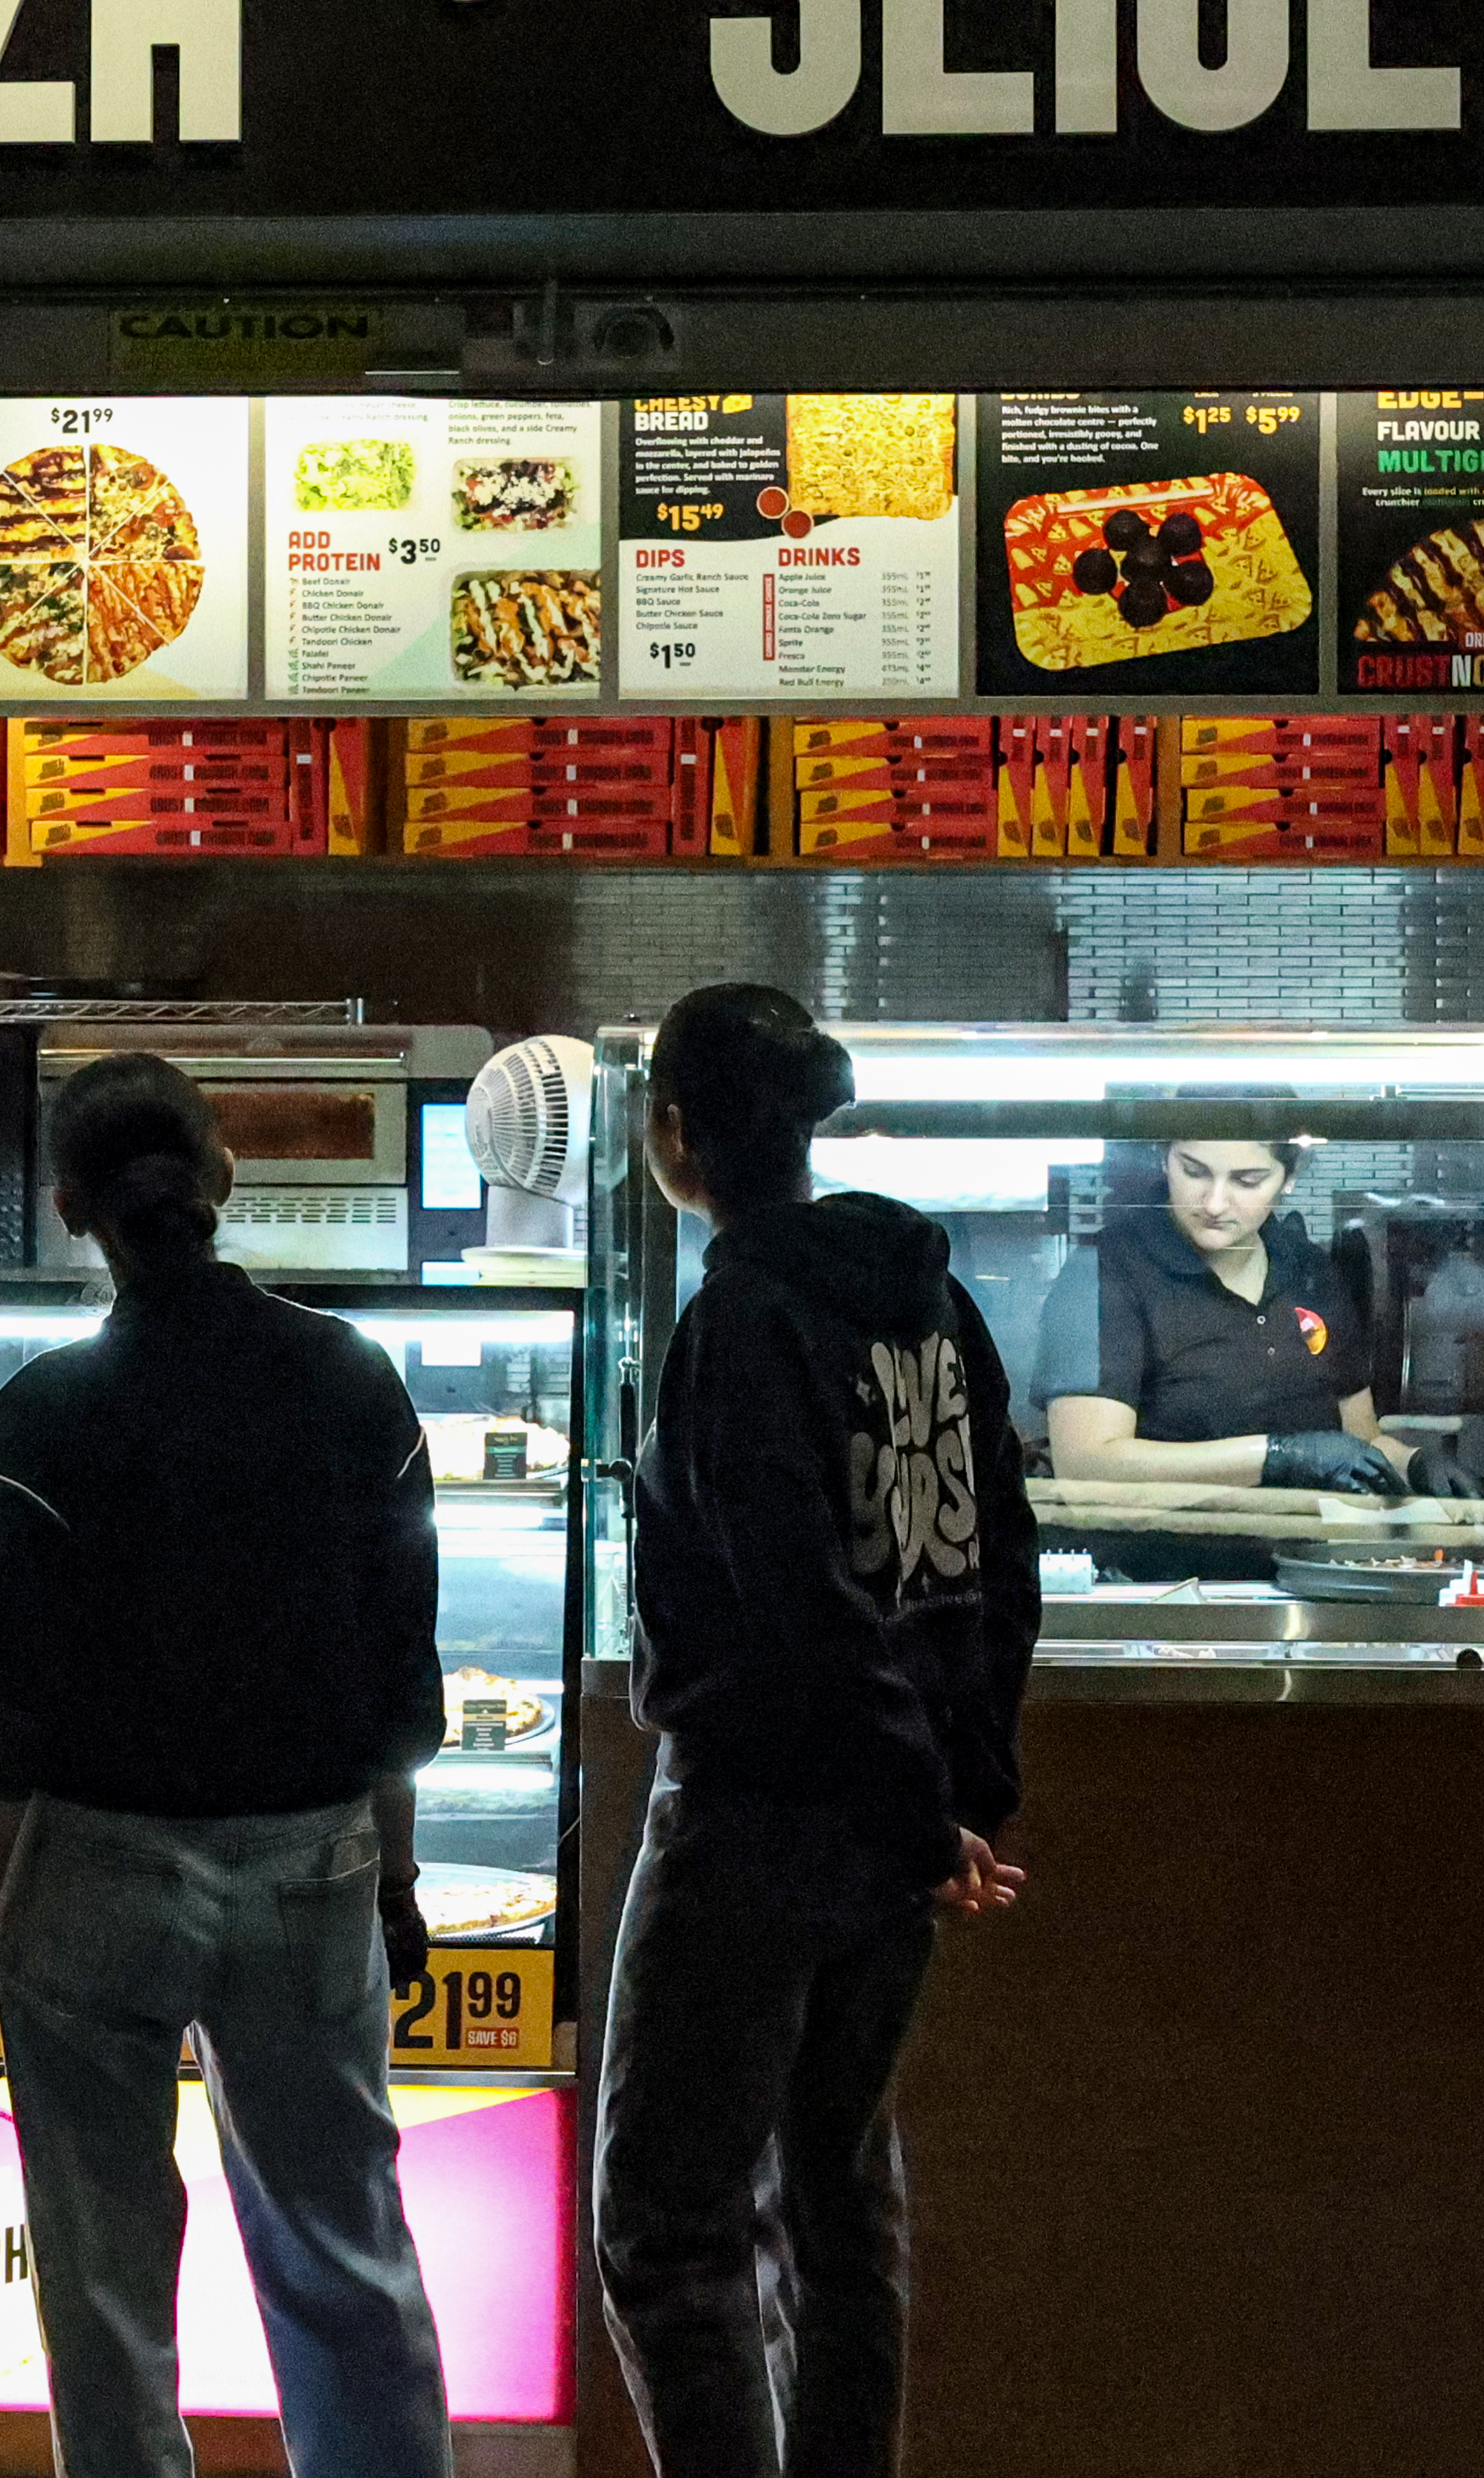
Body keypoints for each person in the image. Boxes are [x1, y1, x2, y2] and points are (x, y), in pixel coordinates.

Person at [0, 1052, 451, 2478]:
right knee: (344, 2256)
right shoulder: (352, 1381)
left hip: (91, 1872)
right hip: (312, 1858)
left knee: (105, 2298)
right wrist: (394, 1878)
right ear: (220, 1179)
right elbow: (401, 1673)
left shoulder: (40, 1412)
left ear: (67, 1204)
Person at [593, 984, 1040, 2478]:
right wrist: (959, 1793)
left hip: (755, 1818)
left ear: (675, 1133)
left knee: (664, 2230)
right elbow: (1001, 1561)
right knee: (838, 2208)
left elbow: (794, 1600)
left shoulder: (740, 1318)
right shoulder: (932, 1298)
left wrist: (931, 1810)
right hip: (890, 1828)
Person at [1032, 1130, 1429, 1498]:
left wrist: (1413, 1464)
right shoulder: (1107, 1272)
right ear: (1164, 1159)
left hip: (1307, 1560)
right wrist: (1277, 1457)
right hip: (1161, 1565)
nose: (1215, 1203)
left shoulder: (1308, 1270)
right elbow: (1085, 1462)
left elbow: (1359, 1440)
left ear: (1289, 1177)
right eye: (1194, 1171)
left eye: (1247, 1180)